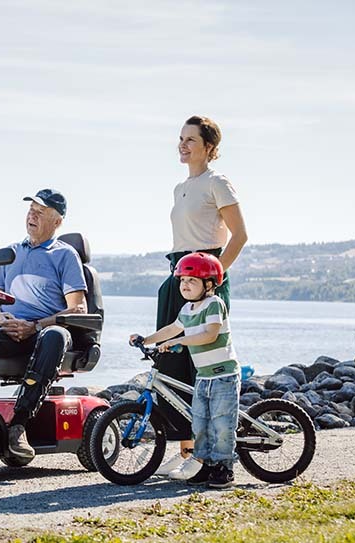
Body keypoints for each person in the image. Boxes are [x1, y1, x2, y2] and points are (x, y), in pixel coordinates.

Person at [153, 115, 248, 480]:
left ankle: (208, 455)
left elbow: (239, 236)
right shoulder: (180, 187)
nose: (182, 144)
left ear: (209, 146)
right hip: (179, 275)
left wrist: (214, 277)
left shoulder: (217, 182)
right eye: (180, 138)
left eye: (190, 139)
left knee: (201, 364)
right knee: (173, 363)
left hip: (206, 275)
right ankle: (187, 451)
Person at [0, 189, 88, 459]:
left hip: (43, 333)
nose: (32, 216)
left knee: (55, 335)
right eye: (31, 210)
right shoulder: (11, 253)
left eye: (41, 212)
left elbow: (78, 308)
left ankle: (19, 424)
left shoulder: (65, 255)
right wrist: (1, 318)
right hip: (9, 331)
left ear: (57, 222)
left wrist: (35, 325)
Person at [131, 252, 239, 488]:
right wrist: (146, 339)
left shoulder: (214, 304)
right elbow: (172, 329)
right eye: (182, 280)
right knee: (199, 423)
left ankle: (224, 468)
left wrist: (181, 341)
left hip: (223, 376)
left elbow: (210, 335)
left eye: (192, 280)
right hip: (204, 376)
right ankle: (206, 464)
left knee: (221, 424)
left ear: (209, 284)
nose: (185, 285)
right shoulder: (187, 309)